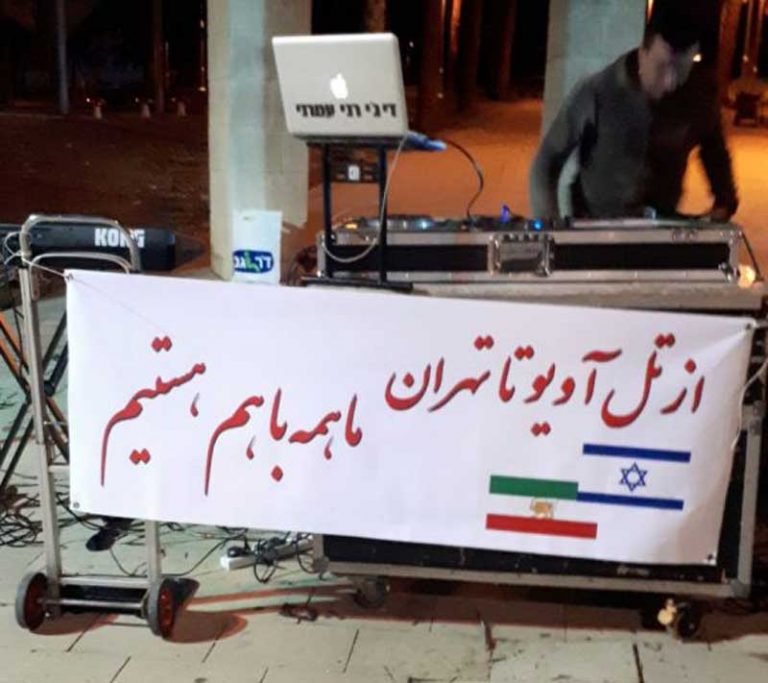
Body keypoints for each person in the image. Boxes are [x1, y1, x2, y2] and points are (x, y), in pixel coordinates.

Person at [529, 5, 738, 221]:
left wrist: (725, 201)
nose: (670, 81)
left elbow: (715, 151)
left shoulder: (698, 96)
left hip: (660, 224)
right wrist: (548, 222)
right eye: (662, 67)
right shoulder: (599, 91)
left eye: (681, 69)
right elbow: (547, 160)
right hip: (596, 223)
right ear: (643, 52)